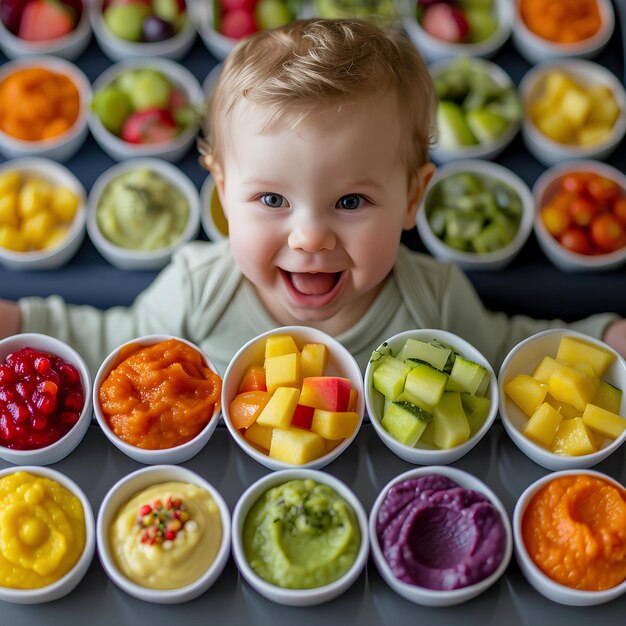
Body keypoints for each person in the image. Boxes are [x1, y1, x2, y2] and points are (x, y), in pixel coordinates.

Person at [0, 19, 624, 377]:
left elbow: (515, 351)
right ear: (222, 193)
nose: (310, 237)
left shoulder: (432, 301)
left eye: (350, 203)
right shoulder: (197, 288)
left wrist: (606, 337)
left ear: (412, 199)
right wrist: (22, 324)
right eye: (271, 200)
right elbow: (114, 336)